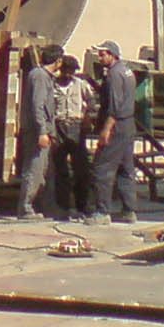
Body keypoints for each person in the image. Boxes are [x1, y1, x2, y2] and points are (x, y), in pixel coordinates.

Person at [88, 41, 140, 224]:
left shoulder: (114, 75)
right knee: (126, 168)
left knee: (102, 168)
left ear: (112, 55)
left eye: (102, 55)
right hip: (128, 125)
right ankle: (129, 211)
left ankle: (102, 212)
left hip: (116, 126)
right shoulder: (127, 71)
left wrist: (106, 130)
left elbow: (114, 106)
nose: (100, 58)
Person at [13, 44, 63, 219]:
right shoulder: (40, 76)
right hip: (37, 132)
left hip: (45, 131)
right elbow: (38, 106)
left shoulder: (44, 76)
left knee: (46, 172)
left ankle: (48, 207)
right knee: (34, 169)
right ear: (58, 61)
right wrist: (42, 131)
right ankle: (25, 208)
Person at [49, 54, 93, 219]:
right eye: (66, 71)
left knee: (81, 169)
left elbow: (91, 101)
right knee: (61, 170)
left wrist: (87, 117)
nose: (69, 75)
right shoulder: (52, 86)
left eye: (72, 72)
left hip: (76, 126)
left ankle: (82, 205)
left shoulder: (81, 85)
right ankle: (64, 207)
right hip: (59, 126)